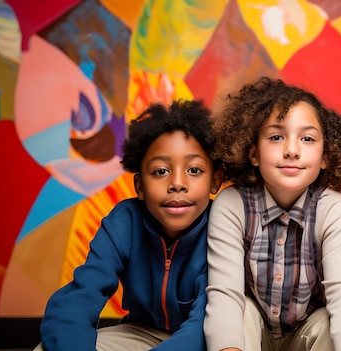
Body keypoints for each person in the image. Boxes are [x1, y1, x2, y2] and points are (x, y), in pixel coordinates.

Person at [36, 99, 223, 351]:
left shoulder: (223, 226)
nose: (177, 183)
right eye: (160, 171)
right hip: (141, 332)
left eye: (194, 170)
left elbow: (206, 321)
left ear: (215, 181)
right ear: (139, 187)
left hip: (203, 337)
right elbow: (80, 297)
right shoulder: (125, 222)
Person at [203, 76, 341, 351]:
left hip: (308, 333)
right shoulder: (232, 205)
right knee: (240, 308)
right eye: (276, 137)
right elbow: (224, 295)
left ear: (325, 156)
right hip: (252, 333)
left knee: (330, 322)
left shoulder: (333, 208)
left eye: (307, 138)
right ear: (253, 153)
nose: (292, 150)